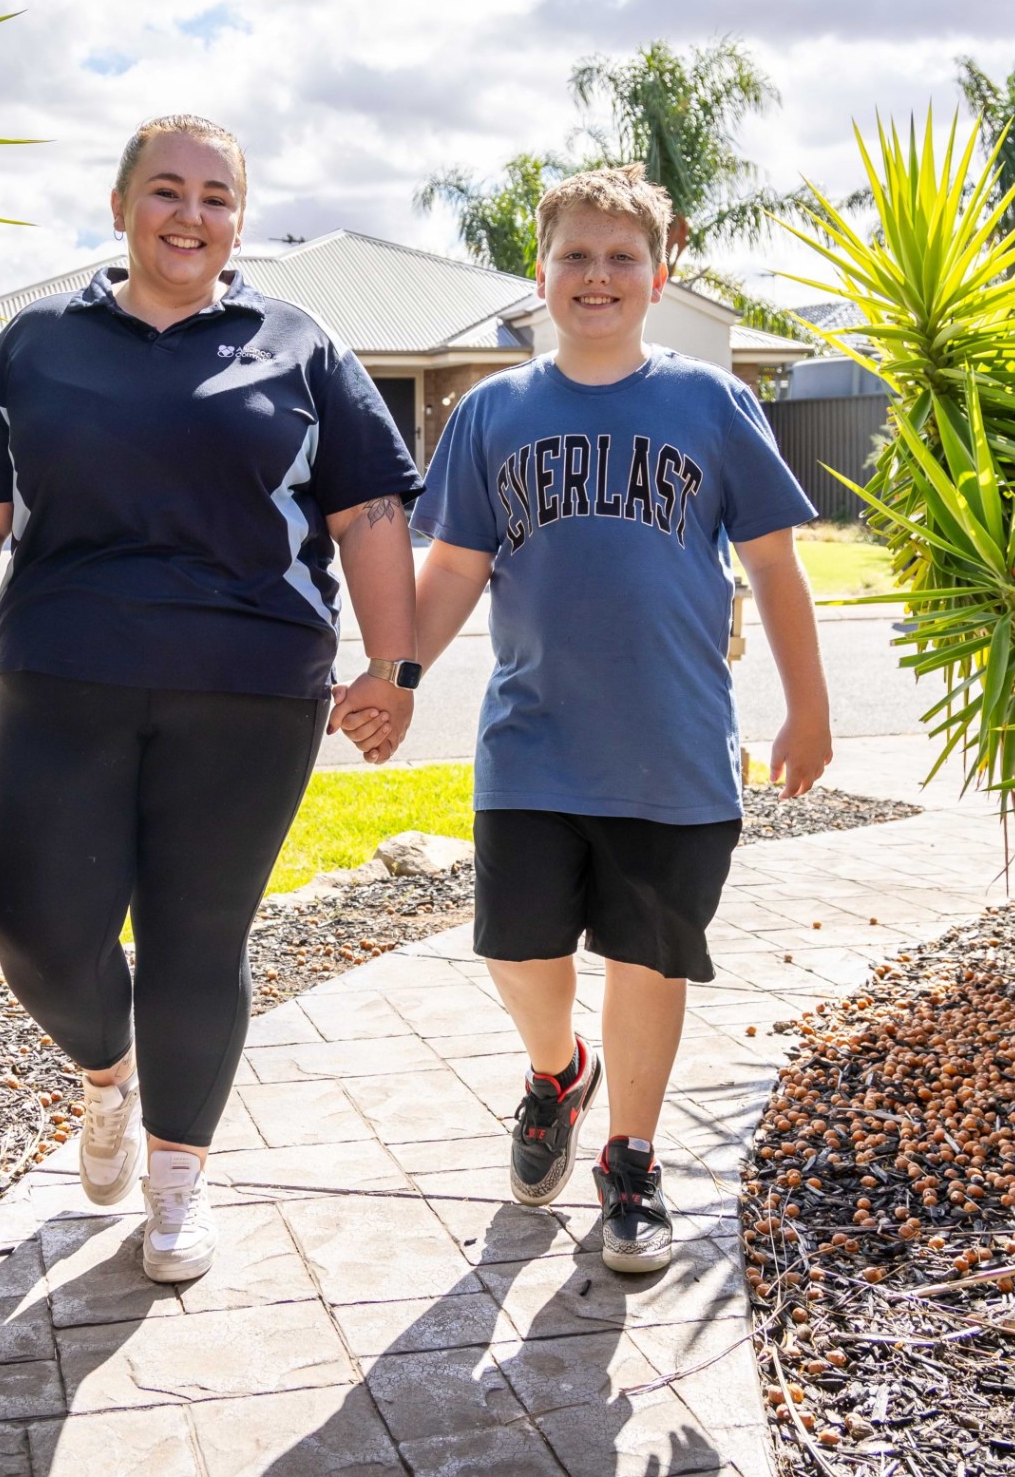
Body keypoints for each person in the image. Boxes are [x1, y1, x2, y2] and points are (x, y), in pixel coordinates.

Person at [0, 115, 421, 1283]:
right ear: (122, 204)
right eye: (168, 191)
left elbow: (370, 511)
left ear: (239, 217)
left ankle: (177, 1179)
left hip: (250, 687)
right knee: (33, 925)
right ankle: (107, 1074)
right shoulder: (34, 342)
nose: (191, 214)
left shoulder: (299, 343)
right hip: (62, 676)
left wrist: (395, 666)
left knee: (196, 935)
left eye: (216, 196)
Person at [341, 164, 831, 1272]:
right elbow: (456, 562)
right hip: (532, 740)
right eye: (574, 254)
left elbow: (773, 563)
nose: (596, 275)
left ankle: (630, 1156)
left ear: (659, 276)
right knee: (516, 948)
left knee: (648, 961)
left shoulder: (711, 402)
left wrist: (806, 704)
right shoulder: (492, 413)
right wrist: (396, 674)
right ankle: (556, 1069)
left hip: (671, 750)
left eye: (620, 257)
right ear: (538, 271)